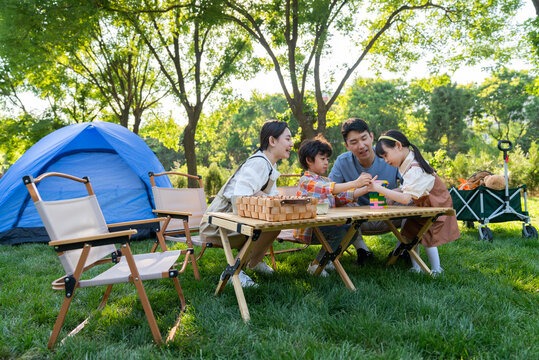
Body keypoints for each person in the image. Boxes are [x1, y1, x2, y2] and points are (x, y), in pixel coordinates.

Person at [199, 120, 293, 287]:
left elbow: (271, 196)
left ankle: (254, 263)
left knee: (275, 225)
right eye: (287, 139)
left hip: (236, 220)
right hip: (218, 223)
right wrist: (260, 195)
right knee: (267, 227)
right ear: (272, 141)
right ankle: (235, 270)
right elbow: (239, 199)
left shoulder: (270, 165)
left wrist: (264, 196)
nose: (291, 144)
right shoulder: (258, 163)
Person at [367, 130, 460, 275]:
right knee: (409, 232)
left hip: (435, 204)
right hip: (423, 204)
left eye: (386, 155)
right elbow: (406, 188)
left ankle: (436, 269)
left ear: (398, 146)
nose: (385, 160)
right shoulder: (408, 164)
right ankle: (416, 267)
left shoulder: (415, 168)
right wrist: (391, 194)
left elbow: (406, 198)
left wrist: (380, 189)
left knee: (427, 233)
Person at [328, 118, 403, 265]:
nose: (361, 146)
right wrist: (355, 186)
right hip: (358, 220)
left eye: (364, 138)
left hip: (392, 214)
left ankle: (402, 249)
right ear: (347, 146)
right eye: (354, 142)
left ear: (372, 137)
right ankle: (363, 251)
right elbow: (330, 191)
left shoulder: (389, 155)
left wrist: (393, 193)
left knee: (416, 200)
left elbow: (412, 186)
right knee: (340, 204)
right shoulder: (342, 162)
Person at [294, 135, 372, 276]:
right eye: (322, 159)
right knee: (341, 232)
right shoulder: (306, 181)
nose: (326, 163)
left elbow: (341, 197)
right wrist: (356, 183)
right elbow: (327, 189)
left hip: (325, 225)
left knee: (352, 231)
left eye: (327, 160)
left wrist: (365, 189)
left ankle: (327, 260)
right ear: (309, 160)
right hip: (309, 229)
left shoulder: (325, 179)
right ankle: (316, 265)